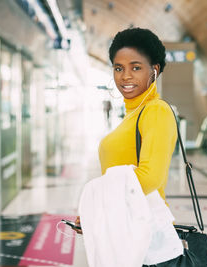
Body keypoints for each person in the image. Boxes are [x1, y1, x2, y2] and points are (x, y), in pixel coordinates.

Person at [74, 28, 178, 265]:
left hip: (145, 236)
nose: (125, 76)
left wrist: (97, 206)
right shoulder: (134, 114)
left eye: (136, 67)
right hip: (125, 229)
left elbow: (150, 177)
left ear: (155, 70)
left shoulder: (156, 110)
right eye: (118, 68)